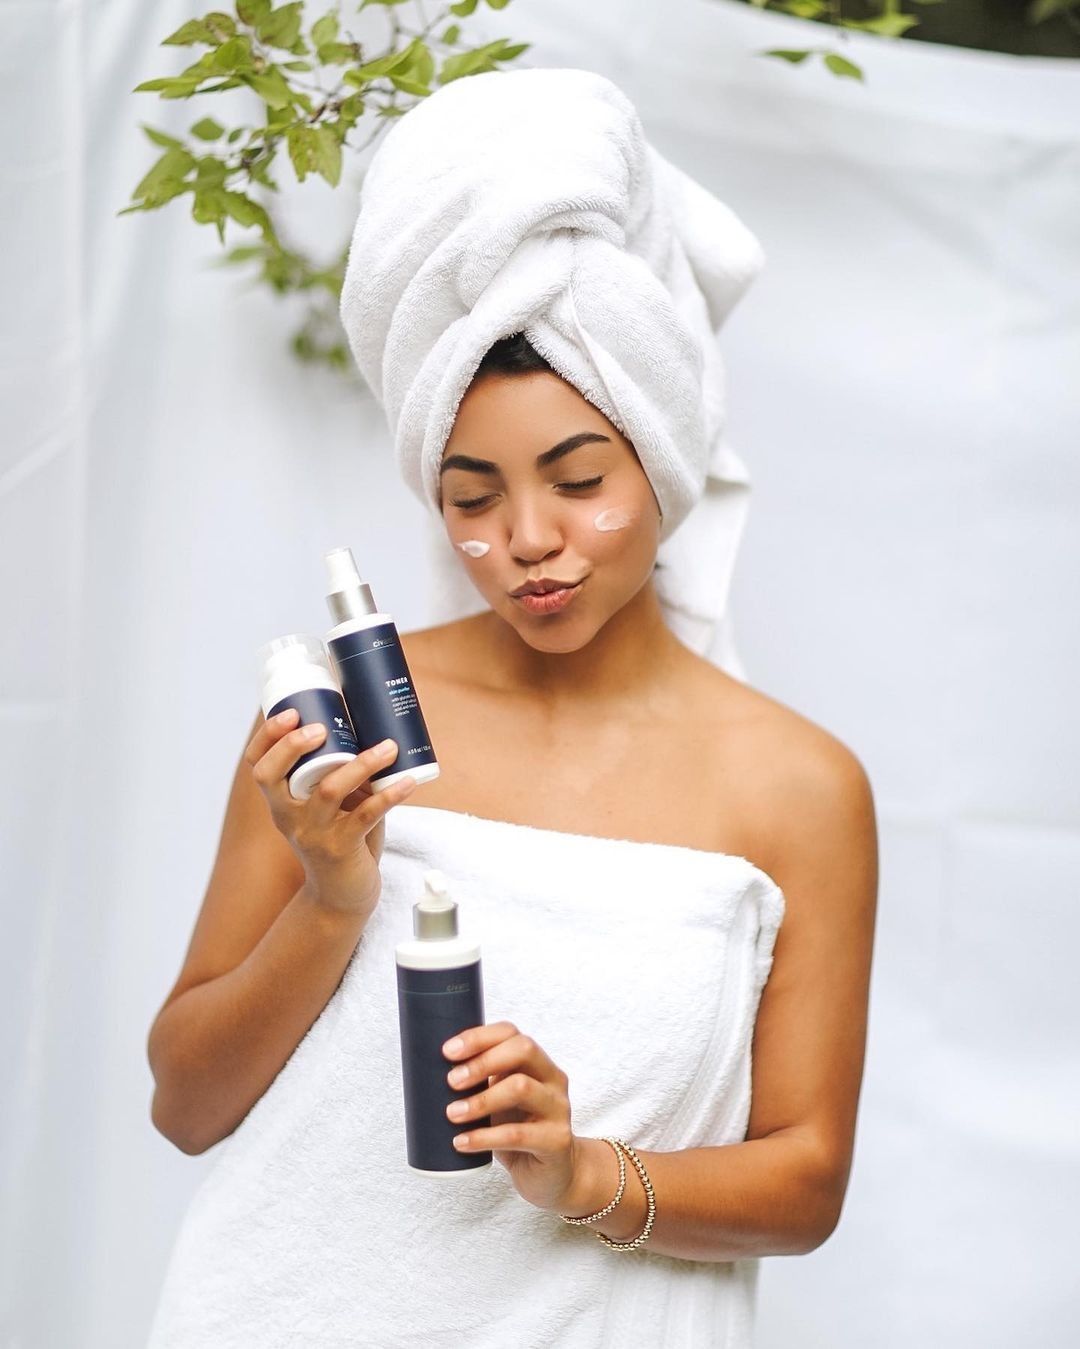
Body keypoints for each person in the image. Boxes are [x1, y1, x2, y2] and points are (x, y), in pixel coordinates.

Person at [146, 67, 877, 1348]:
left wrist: (586, 1172)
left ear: (659, 454)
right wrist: (331, 899)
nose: (529, 541)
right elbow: (186, 1102)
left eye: (579, 478)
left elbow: (806, 1178)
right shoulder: (348, 719)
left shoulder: (794, 787)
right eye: (472, 496)